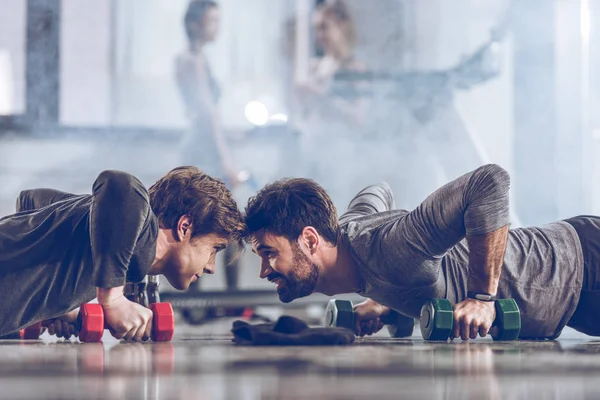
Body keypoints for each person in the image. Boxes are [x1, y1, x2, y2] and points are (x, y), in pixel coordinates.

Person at [244, 164, 599, 340]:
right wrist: (389, 300)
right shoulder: (350, 232)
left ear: (309, 240)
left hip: (584, 264)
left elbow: (489, 181)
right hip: (572, 296)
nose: (264, 271)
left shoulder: (395, 248)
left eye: (269, 253)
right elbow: (377, 191)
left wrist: (481, 297)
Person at [0, 166, 245, 340]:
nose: (212, 266)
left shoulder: (99, 227)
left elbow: (30, 199)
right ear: (184, 227)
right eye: (215, 249)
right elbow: (119, 182)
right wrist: (112, 299)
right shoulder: (143, 226)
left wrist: (52, 305)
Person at [293, 0, 370, 209]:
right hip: (313, 151)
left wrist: (323, 97)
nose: (320, 36)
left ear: (342, 26)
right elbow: (306, 114)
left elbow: (359, 116)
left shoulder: (354, 68)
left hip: (340, 156)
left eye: (324, 28)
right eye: (316, 30)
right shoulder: (316, 65)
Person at [175, 0, 238, 186]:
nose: (217, 27)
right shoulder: (192, 60)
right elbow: (206, 110)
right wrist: (226, 158)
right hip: (202, 145)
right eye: (212, 21)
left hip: (201, 140)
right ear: (194, 25)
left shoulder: (194, 58)